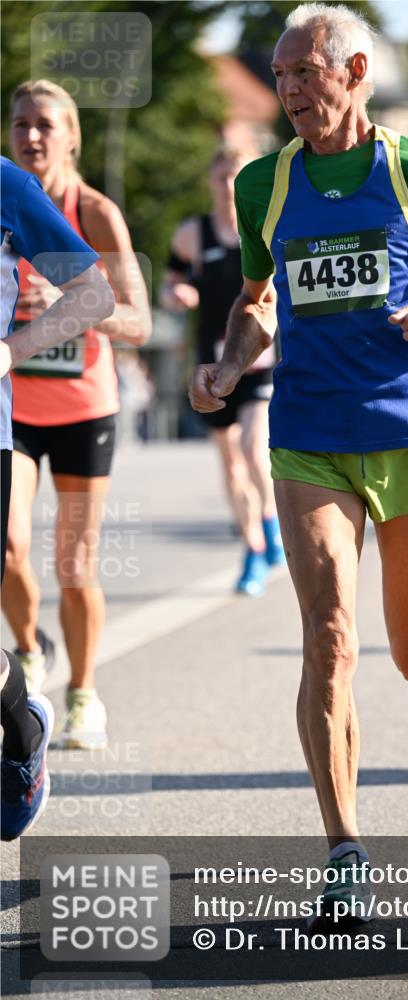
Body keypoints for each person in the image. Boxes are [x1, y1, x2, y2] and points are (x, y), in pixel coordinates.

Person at [189, 3, 408, 918]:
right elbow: (257, 299)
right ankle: (344, 845)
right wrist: (230, 364)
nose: (288, 90)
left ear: (354, 73)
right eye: (279, 75)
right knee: (328, 637)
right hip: (309, 434)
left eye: (304, 72)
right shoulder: (263, 184)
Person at [3, 80, 151, 749]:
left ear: (71, 136)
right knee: (9, 548)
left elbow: (139, 322)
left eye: (45, 124)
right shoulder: (7, 200)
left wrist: (69, 310)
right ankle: (30, 648)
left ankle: (84, 693)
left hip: (83, 406)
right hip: (13, 408)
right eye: (20, 124)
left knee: (74, 562)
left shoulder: (92, 211)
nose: (31, 136)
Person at [1, 154, 115, 839]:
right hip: (21, 423)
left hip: (65, 413)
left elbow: (99, 297)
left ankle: (36, 715)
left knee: (69, 561)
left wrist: (14, 347)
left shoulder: (11, 188)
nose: (33, 136)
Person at [161, 146, 284, 596]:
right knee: (231, 464)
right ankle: (253, 550)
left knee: (252, 447)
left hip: (259, 359)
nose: (229, 187)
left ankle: (270, 524)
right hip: (212, 362)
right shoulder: (192, 234)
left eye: (237, 177)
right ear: (211, 181)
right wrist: (177, 295)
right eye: (221, 177)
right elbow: (169, 282)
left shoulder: (267, 227)